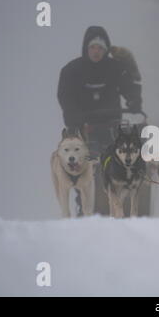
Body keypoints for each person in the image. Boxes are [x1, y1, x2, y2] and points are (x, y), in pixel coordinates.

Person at [57, 26, 143, 215]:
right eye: (92, 48)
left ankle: (121, 204)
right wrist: (72, 116)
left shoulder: (116, 68)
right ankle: (84, 205)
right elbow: (65, 96)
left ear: (106, 50)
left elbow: (130, 87)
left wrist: (134, 102)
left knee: (120, 159)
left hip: (112, 124)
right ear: (86, 49)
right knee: (83, 165)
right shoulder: (72, 70)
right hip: (83, 126)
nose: (96, 52)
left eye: (100, 48)